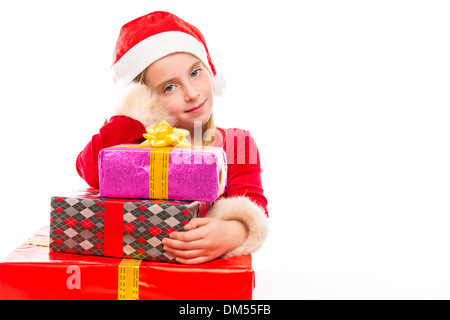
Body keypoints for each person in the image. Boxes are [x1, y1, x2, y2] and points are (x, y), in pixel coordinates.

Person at [76, 11, 269, 264]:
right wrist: (136, 111)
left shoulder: (238, 143)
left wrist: (235, 230)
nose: (191, 93)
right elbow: (90, 169)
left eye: (195, 73)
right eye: (169, 87)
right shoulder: (134, 146)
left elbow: (255, 206)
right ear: (147, 97)